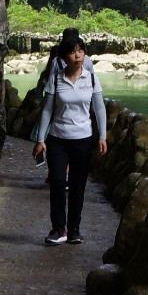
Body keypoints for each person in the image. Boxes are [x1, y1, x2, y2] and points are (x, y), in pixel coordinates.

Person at [31, 27, 107, 244]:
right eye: (73, 52)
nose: (78, 56)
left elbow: (99, 108)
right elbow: (47, 110)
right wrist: (40, 140)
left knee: (77, 185)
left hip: (83, 139)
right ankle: (58, 229)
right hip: (58, 138)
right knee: (56, 181)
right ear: (64, 57)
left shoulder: (91, 79)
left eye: (81, 51)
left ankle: (74, 229)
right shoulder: (55, 79)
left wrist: (102, 136)